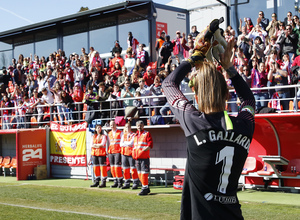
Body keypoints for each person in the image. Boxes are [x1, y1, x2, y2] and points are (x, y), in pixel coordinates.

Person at [162, 34, 255, 219]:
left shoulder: (194, 121)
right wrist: (229, 68)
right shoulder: (244, 125)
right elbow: (249, 100)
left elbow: (169, 83)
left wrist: (194, 57)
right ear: (227, 95)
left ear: (196, 96)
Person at [132, 120, 153, 196]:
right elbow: (134, 146)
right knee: (139, 173)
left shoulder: (146, 133)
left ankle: (144, 188)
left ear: (143, 126)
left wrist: (145, 150)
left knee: (144, 173)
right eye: (138, 126)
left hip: (144, 157)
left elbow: (150, 144)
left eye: (140, 125)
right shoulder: (135, 135)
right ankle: (145, 187)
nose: (139, 127)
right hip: (137, 157)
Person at [120, 122, 139, 189]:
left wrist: (125, 143)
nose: (127, 128)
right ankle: (127, 182)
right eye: (126, 127)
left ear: (130, 128)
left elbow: (131, 143)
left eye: (128, 127)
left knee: (133, 169)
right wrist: (126, 143)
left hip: (131, 154)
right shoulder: (123, 135)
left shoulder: (133, 134)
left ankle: (135, 182)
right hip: (124, 154)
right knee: (125, 169)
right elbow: (121, 144)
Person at [108, 120, 123, 188]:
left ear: (116, 125)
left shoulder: (120, 132)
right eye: (111, 125)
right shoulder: (109, 133)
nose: (112, 126)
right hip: (111, 151)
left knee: (117, 167)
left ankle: (120, 182)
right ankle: (115, 181)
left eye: (113, 124)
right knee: (112, 167)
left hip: (117, 151)